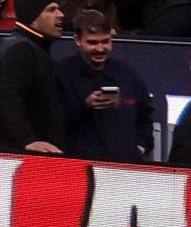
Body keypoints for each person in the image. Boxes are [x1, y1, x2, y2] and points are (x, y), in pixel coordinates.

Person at [51, 9, 158, 162]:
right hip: (78, 166)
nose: (100, 48)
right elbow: (53, 121)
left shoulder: (127, 73)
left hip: (124, 167)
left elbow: (144, 116)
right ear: (77, 40)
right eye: (92, 42)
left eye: (105, 41)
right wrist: (85, 106)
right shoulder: (61, 72)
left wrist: (141, 146)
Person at [0, 0, 71, 153]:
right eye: (51, 10)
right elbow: (6, 97)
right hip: (20, 155)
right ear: (33, 17)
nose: (61, 15)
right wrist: (27, 139)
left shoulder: (33, 46)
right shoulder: (22, 49)